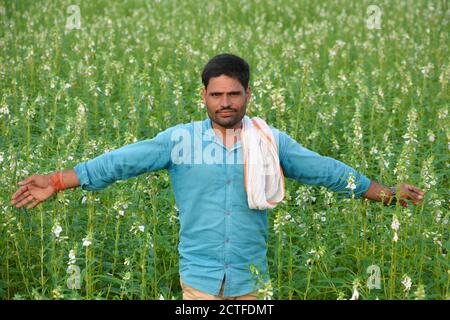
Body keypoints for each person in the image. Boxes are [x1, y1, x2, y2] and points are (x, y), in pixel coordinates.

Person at [10, 53, 425, 300]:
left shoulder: (269, 140)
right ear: (204, 96)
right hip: (199, 283)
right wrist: (60, 180)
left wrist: (385, 194)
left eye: (234, 94)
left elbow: (327, 171)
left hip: (251, 282)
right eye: (216, 94)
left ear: (247, 94)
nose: (225, 103)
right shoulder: (179, 140)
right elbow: (121, 161)